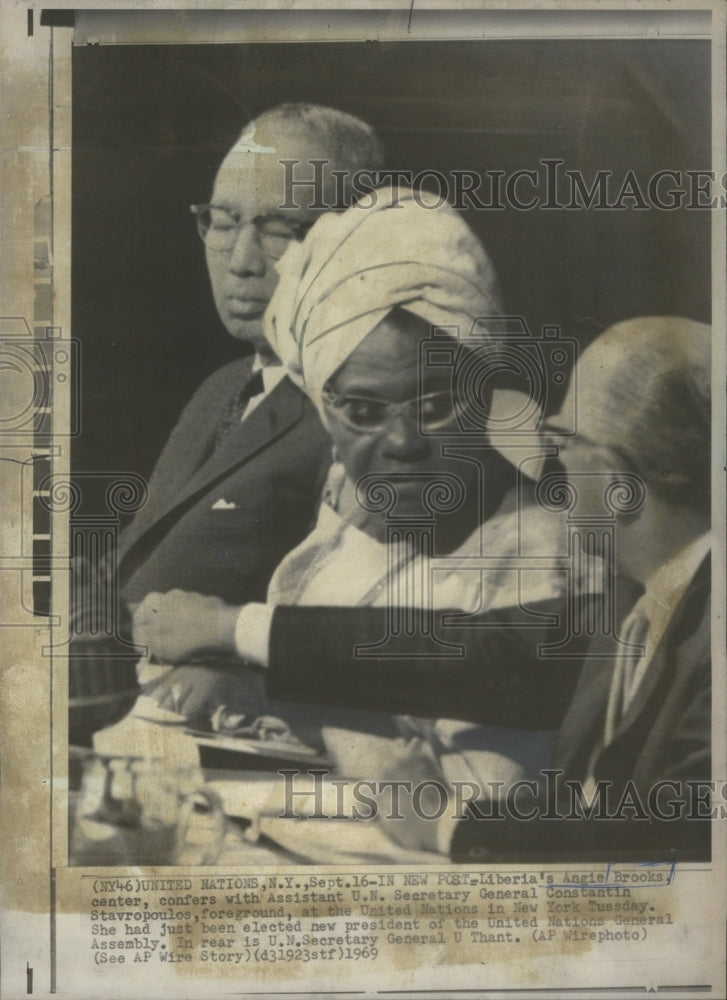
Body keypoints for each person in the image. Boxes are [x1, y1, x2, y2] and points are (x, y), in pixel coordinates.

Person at [214, 315, 709, 861]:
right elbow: (476, 649)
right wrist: (233, 635)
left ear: (616, 484)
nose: (550, 462)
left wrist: (445, 824)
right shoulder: (632, 595)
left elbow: (681, 835)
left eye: (563, 441)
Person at [133, 188, 575, 784]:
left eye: (437, 404)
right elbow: (354, 681)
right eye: (362, 411)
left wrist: (241, 645)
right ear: (325, 415)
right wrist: (254, 693)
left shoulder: (539, 554)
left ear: (485, 393)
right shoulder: (353, 513)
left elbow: (486, 791)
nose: (401, 442)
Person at [117, 103, 384, 610]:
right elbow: (140, 558)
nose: (240, 263)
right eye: (222, 222)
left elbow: (336, 632)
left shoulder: (365, 411)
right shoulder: (223, 385)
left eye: (280, 230)